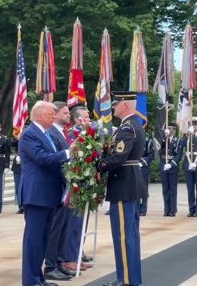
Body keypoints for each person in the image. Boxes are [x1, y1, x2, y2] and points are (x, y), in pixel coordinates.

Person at [96, 91, 147, 286]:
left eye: (116, 103)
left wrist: (97, 166)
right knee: (130, 235)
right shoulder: (133, 125)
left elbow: (118, 158)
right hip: (130, 182)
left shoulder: (127, 128)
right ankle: (131, 279)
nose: (113, 107)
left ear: (125, 104)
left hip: (123, 183)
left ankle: (126, 280)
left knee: (124, 236)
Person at [18, 101, 70, 286]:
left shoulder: (45, 134)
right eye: (51, 114)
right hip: (36, 195)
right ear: (39, 115)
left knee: (42, 240)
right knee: (33, 241)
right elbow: (41, 158)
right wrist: (67, 153)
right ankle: (30, 281)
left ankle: (38, 278)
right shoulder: (29, 134)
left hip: (48, 194)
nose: (54, 117)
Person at [61, 103, 93, 275]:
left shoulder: (87, 134)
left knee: (79, 223)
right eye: (86, 117)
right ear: (76, 119)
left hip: (84, 183)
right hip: (73, 183)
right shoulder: (70, 135)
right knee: (72, 223)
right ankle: (69, 258)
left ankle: (76, 254)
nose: (89, 120)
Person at [43, 102, 73, 281]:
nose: (68, 115)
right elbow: (56, 159)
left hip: (67, 186)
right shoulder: (52, 133)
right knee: (55, 229)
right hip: (58, 187)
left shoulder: (63, 132)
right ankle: (51, 265)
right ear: (55, 114)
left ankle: (60, 262)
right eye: (65, 112)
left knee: (63, 228)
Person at [158, 122, 183, 217]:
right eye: (167, 128)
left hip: (172, 167)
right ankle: (166, 209)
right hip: (163, 165)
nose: (169, 130)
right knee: (165, 189)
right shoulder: (163, 140)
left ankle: (172, 210)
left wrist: (171, 164)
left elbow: (179, 154)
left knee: (172, 189)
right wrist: (165, 137)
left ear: (174, 130)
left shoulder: (178, 141)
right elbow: (159, 148)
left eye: (170, 128)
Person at [138, 132, 154, 216]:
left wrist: (143, 163)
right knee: (135, 188)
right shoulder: (134, 140)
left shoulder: (148, 142)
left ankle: (143, 209)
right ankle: (137, 208)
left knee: (144, 189)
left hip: (144, 167)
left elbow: (151, 156)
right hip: (135, 166)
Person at [11, 136, 25, 214]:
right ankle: (21, 206)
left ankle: (25, 206)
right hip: (17, 165)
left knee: (25, 187)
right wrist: (17, 138)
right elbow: (11, 144)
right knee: (18, 187)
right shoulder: (18, 138)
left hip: (26, 165)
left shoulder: (31, 139)